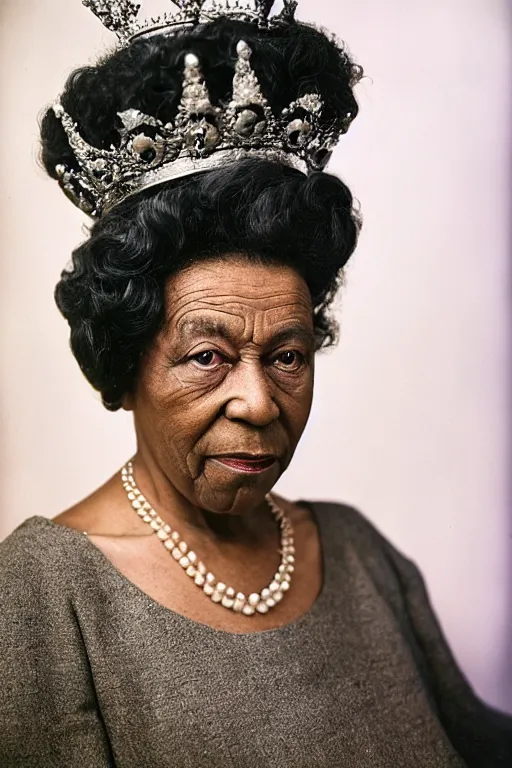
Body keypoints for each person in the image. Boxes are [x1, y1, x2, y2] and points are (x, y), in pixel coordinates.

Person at [0, 1, 510, 766]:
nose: (260, 401)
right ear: (126, 361)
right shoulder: (44, 592)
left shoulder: (359, 552)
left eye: (288, 355)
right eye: (207, 356)